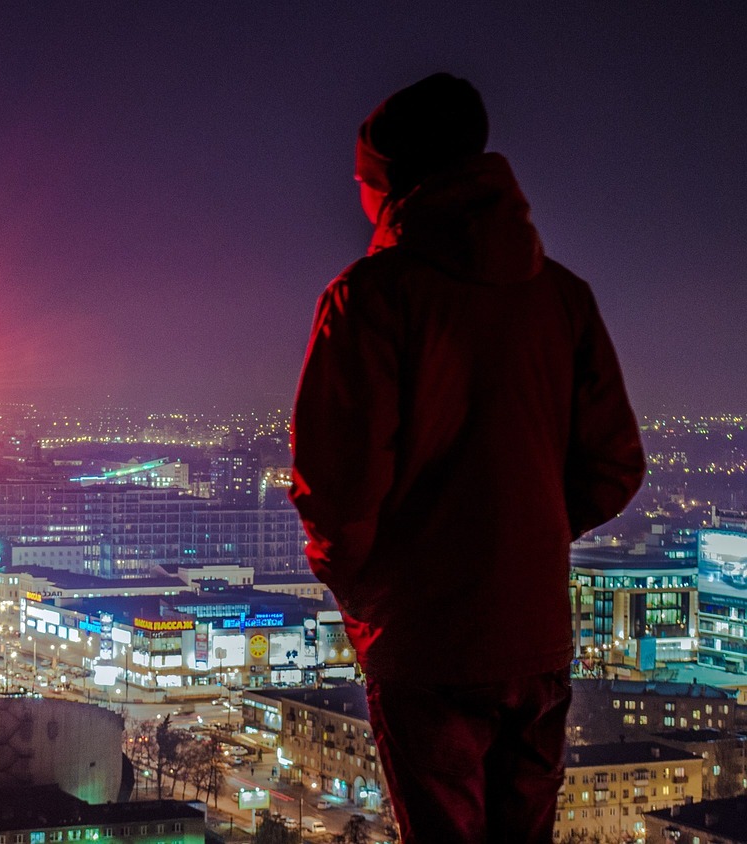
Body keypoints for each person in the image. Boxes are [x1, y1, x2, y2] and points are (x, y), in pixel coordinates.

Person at [290, 73, 645, 842]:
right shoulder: (563, 298)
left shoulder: (370, 299)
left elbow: (338, 493)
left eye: (362, 181)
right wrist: (524, 536)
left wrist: (374, 595)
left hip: (426, 645)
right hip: (535, 641)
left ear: (389, 183)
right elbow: (615, 466)